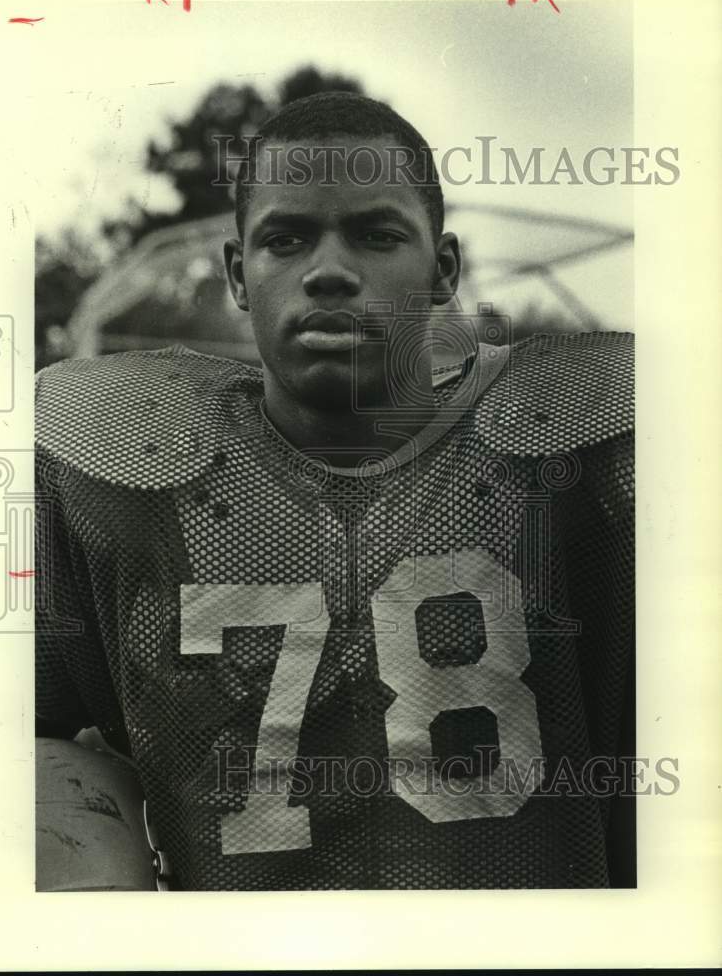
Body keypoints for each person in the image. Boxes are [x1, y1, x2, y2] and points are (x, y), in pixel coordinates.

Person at [35, 92, 634, 890]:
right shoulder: (111, 467)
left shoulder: (590, 448)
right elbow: (22, 729)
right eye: (285, 239)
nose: (327, 272)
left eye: (376, 235)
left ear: (442, 271)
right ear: (239, 275)